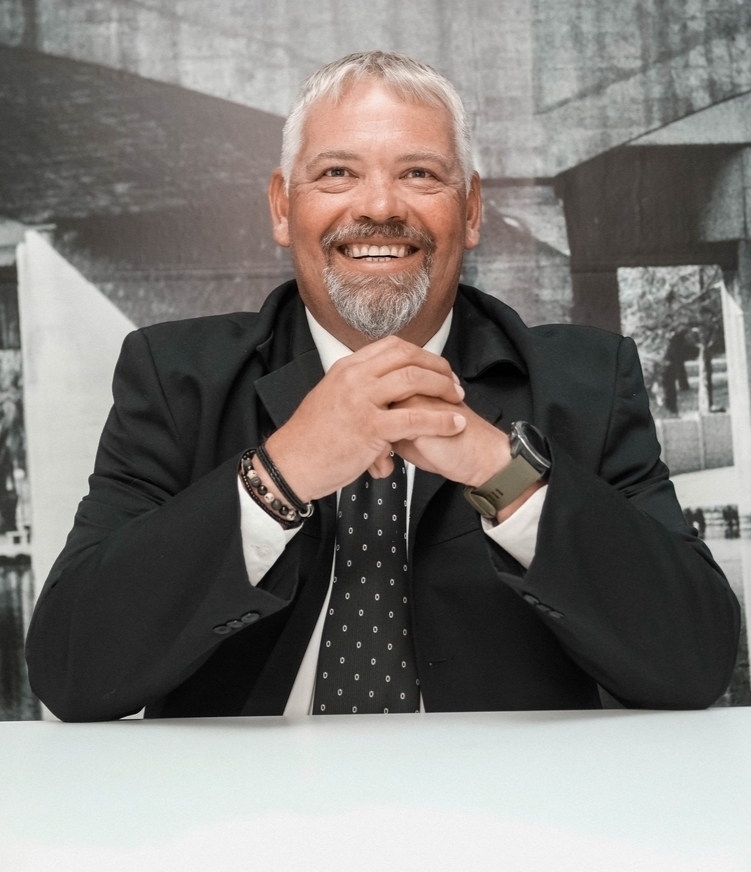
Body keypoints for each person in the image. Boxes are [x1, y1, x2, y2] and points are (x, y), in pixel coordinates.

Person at [26, 51, 739, 721]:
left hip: (504, 800)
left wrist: (504, 474)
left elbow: (694, 661)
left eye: (419, 174)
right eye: (337, 172)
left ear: (471, 209)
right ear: (282, 208)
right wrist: (277, 476)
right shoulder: (175, 376)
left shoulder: (586, 382)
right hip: (242, 801)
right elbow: (72, 670)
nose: (378, 207)